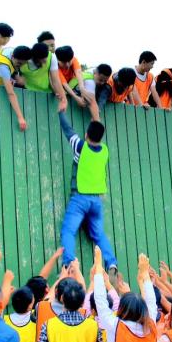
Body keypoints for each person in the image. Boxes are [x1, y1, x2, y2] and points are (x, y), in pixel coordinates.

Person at [58, 110, 119, 282]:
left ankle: (69, 264)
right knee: (99, 234)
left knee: (68, 231)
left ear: (86, 135)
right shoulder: (105, 151)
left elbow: (67, 129)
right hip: (96, 201)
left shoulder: (80, 146)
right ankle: (112, 263)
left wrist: (61, 111)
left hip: (79, 199)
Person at [0, 45, 30, 130]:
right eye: (19, 64)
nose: (20, 66)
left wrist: (14, 77)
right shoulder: (4, 67)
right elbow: (10, 93)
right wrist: (20, 118)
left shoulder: (10, 50)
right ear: (13, 57)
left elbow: (14, 68)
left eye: (23, 64)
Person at [17, 42, 67, 111]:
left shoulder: (52, 57)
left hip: (47, 95)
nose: (45, 61)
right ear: (35, 58)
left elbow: (56, 80)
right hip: (27, 95)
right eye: (43, 60)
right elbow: (13, 69)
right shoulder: (24, 59)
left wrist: (63, 100)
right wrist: (17, 77)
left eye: (46, 58)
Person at [55, 46, 93, 110]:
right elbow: (64, 84)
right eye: (64, 62)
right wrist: (76, 98)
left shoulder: (74, 59)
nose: (67, 65)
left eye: (69, 61)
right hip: (62, 87)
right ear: (58, 60)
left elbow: (79, 73)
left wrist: (83, 90)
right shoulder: (55, 66)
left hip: (72, 85)